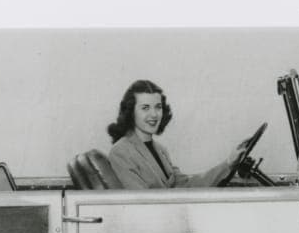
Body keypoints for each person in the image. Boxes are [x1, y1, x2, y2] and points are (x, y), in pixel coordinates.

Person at [105, 80, 252, 189]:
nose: (154, 114)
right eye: (145, 108)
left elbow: (186, 185)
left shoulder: (161, 150)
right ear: (131, 112)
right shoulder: (121, 152)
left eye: (158, 107)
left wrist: (228, 163)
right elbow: (141, 204)